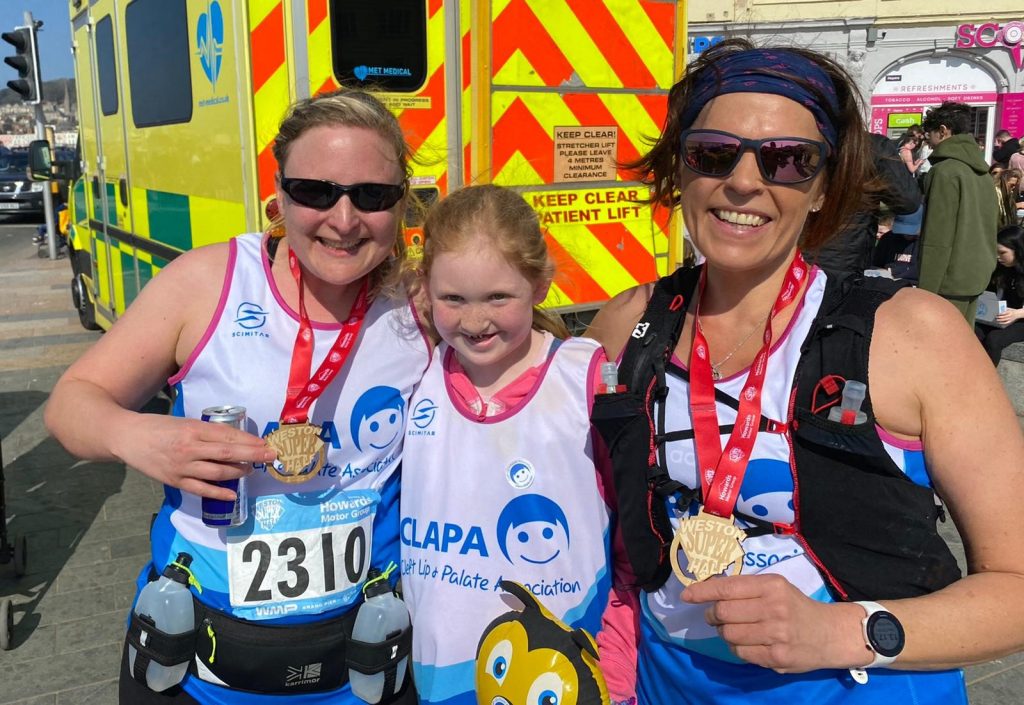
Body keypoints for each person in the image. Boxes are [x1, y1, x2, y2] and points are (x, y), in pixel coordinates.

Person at [585, 38, 1024, 704]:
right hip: (664, 685)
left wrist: (842, 630)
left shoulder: (915, 335)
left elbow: (1015, 585)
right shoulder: (628, 322)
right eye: (713, 152)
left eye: (789, 160)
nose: (744, 180)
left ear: (823, 189)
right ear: (682, 170)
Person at [43, 90, 431, 704]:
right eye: (315, 191)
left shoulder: (423, 304)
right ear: (278, 194)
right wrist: (137, 436)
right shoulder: (207, 281)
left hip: (361, 660)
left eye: (373, 195)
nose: (345, 217)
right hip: (197, 661)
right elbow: (70, 403)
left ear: (401, 201)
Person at [399, 184, 634, 705]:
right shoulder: (418, 372)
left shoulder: (586, 380)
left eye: (498, 297)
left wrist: (615, 672)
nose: (475, 320)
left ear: (540, 283)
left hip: (561, 678)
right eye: (452, 298)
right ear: (425, 289)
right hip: (441, 683)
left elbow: (634, 546)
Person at [918, 102, 999, 324]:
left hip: (948, 279)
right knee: (962, 343)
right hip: (976, 273)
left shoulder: (945, 171)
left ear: (943, 131)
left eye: (930, 134)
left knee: (937, 347)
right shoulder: (982, 172)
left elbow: (937, 236)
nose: (929, 142)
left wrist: (926, 289)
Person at [810, 131, 920, 275]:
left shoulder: (800, 139)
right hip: (843, 259)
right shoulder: (871, 146)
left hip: (804, 256)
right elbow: (907, 201)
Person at [975, 225, 1024, 364]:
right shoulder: (1001, 269)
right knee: (973, 332)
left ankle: (987, 378)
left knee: (994, 339)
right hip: (1000, 316)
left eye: (1002, 252)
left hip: (1020, 319)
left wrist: (1017, 314)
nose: (998, 257)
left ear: (1018, 250)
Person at [872, 204, 923, 281]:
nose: (906, 234)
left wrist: (895, 272)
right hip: (887, 282)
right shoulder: (888, 238)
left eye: (911, 231)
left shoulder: (927, 243)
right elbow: (875, 264)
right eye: (903, 230)